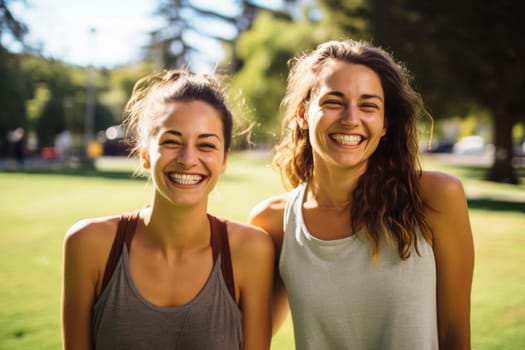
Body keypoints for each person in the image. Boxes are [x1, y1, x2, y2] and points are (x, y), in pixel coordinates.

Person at [249, 39, 474, 350]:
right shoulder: (273, 222)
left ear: (385, 124)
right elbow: (247, 336)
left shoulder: (436, 198)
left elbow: (455, 336)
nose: (351, 118)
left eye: (368, 105)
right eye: (333, 101)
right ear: (302, 114)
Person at [62, 69, 274, 350]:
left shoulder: (252, 251)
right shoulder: (89, 244)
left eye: (206, 145)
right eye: (171, 141)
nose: (188, 159)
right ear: (145, 154)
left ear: (224, 159)